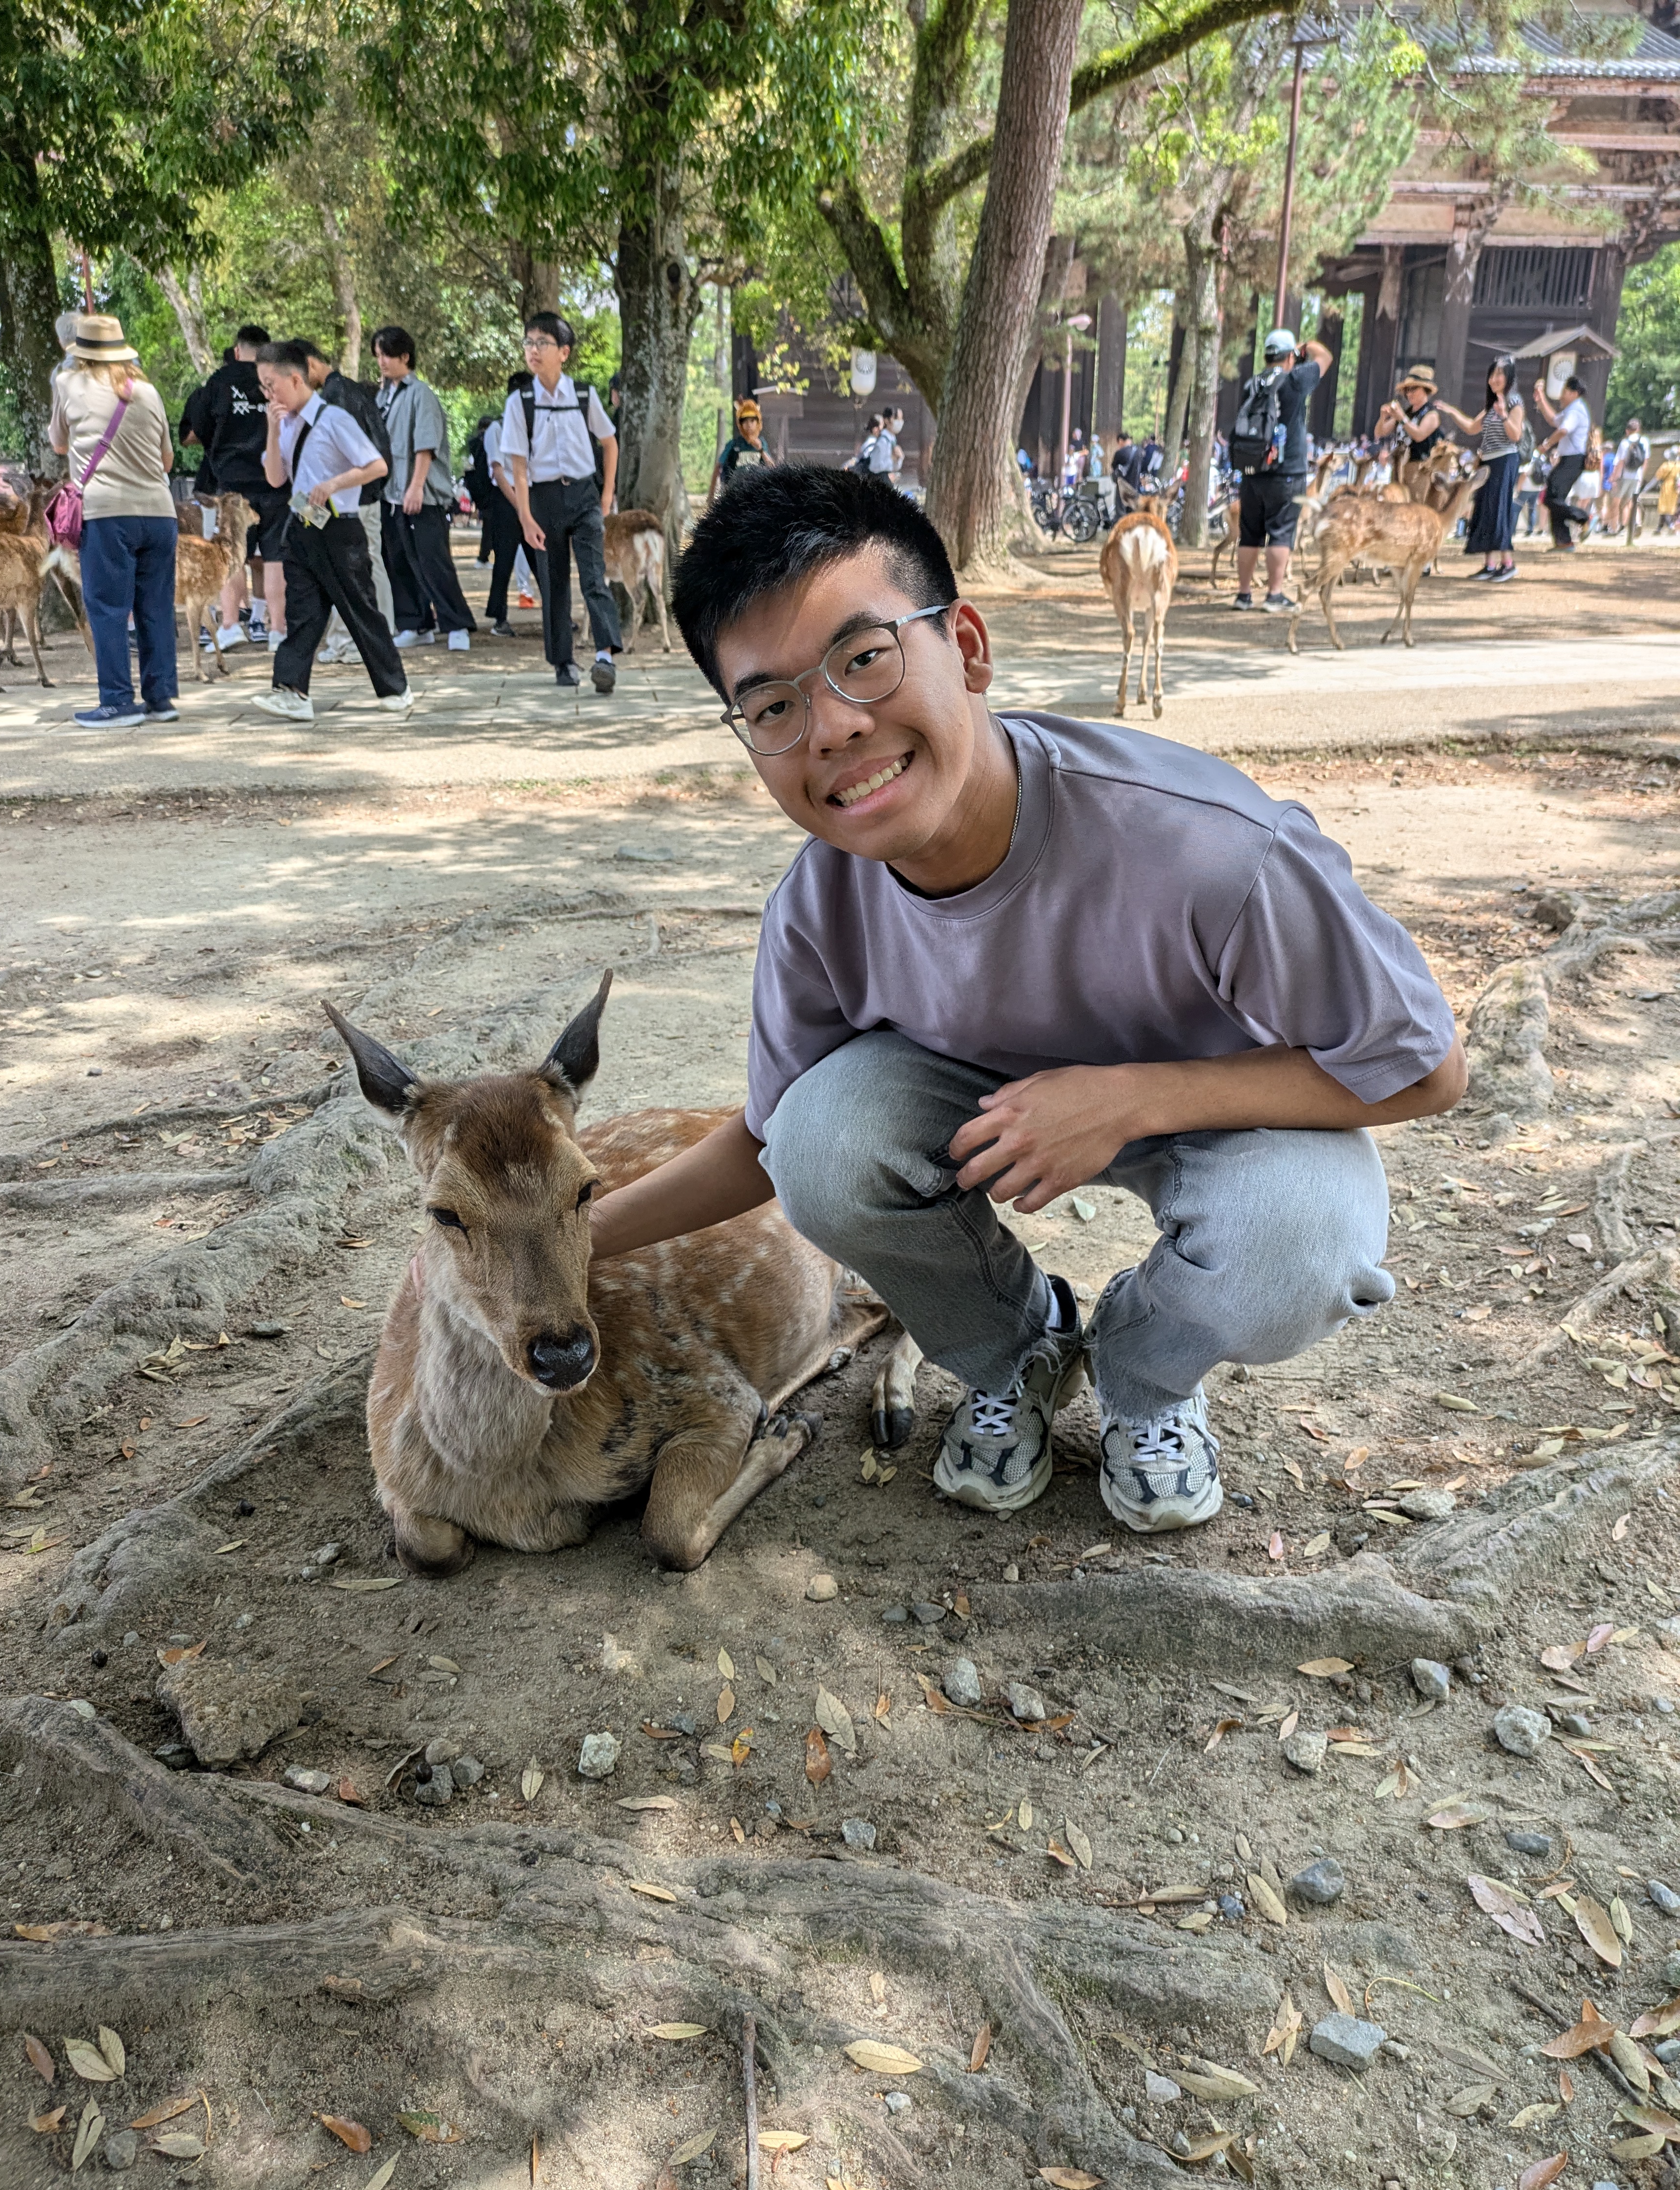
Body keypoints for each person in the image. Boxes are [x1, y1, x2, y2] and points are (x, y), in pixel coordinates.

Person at [588, 466, 1463, 1534]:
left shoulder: (1212, 848)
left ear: (965, 646)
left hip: (1228, 1112)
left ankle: (1145, 1373)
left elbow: (1424, 1068)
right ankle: (1018, 1347)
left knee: (1305, 1240)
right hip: (983, 1118)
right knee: (822, 1144)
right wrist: (560, 1241)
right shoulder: (817, 908)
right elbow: (771, 1141)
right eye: (773, 705)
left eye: (862, 659)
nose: (831, 728)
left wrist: (1129, 1099)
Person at [250, 338, 413, 722]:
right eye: (263, 388)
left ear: (295, 379)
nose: (269, 395)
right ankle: (292, 691)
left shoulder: (334, 419)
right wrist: (272, 429)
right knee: (303, 611)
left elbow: (376, 466)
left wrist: (335, 484)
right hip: (302, 524)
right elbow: (275, 479)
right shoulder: (285, 424)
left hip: (340, 528)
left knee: (360, 609)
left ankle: (395, 688)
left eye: (272, 385)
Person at [46, 312, 180, 730]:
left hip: (106, 513)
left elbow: (58, 442)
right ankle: (160, 699)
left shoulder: (68, 383)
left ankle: (118, 701)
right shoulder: (148, 391)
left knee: (107, 608)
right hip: (159, 512)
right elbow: (167, 459)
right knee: (156, 608)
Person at [499, 308, 622, 693]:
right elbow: (518, 467)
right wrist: (525, 516)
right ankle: (563, 662)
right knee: (553, 582)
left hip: (584, 495)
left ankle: (605, 657)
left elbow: (610, 443)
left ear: (564, 352)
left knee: (594, 577)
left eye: (543, 343)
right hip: (543, 499)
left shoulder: (584, 395)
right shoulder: (520, 402)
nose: (533, 350)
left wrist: (606, 496)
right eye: (529, 343)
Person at [371, 326, 476, 653]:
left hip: (423, 496)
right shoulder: (383, 396)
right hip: (391, 495)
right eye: (378, 356)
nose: (382, 362)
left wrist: (416, 488)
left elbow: (426, 446)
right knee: (399, 562)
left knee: (433, 562)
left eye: (387, 355)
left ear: (405, 356)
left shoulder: (421, 394)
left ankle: (457, 624)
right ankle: (415, 624)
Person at [182, 324, 287, 651]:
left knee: (232, 555)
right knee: (274, 557)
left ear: (238, 350)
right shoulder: (276, 380)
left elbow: (196, 430)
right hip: (275, 480)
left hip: (232, 486)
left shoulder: (220, 382)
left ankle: (230, 624)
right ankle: (278, 629)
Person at [296, 341, 396, 663]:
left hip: (353, 499)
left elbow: (349, 458)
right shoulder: (345, 392)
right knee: (356, 567)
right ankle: (350, 640)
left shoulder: (334, 400)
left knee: (357, 570)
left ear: (310, 365)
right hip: (352, 498)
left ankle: (361, 641)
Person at [1233, 326, 1333, 613]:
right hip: (1287, 471)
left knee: (1249, 534)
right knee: (1281, 533)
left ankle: (1243, 595)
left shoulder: (1252, 384)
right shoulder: (1296, 379)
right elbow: (1325, 357)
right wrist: (1306, 347)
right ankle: (1274, 595)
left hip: (1252, 470)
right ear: (1291, 357)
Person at [1437, 356, 1524, 583]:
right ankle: (1490, 565)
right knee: (1486, 511)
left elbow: (1516, 435)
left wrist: (1504, 415)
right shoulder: (1491, 406)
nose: (1494, 379)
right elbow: (1471, 428)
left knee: (1499, 511)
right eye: (1492, 375)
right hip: (1489, 462)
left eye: (1500, 374)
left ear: (1509, 378)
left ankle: (1508, 565)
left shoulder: (1514, 402)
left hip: (1505, 461)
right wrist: (1451, 411)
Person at [474, 373, 538, 635]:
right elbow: (498, 472)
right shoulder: (497, 429)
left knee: (541, 559)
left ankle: (558, 614)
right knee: (504, 560)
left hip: (532, 498)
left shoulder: (535, 428)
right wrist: (519, 507)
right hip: (506, 500)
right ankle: (499, 618)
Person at [1531, 371, 1591, 547]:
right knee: (1555, 498)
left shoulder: (1577, 410)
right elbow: (1554, 420)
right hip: (1569, 460)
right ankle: (1563, 542)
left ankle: (1584, 518)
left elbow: (1563, 430)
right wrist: (1541, 399)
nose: (1562, 396)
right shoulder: (1572, 410)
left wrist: (1546, 445)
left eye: (1565, 392)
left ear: (1574, 393)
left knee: (1550, 498)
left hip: (1573, 461)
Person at [1374, 365, 1443, 493]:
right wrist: (1383, 417)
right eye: (1407, 390)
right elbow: (1380, 433)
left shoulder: (1431, 415)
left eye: (1413, 389)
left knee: (1414, 503)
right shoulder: (1406, 413)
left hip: (1419, 469)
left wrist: (1402, 418)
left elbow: (1419, 435)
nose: (1409, 394)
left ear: (1425, 390)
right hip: (1399, 466)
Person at [711, 398, 774, 496]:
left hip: (757, 492)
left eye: (752, 421)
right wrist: (711, 495)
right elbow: (718, 466)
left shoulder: (762, 443)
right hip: (735, 492)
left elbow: (773, 468)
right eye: (745, 421)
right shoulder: (734, 444)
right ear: (740, 424)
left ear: (758, 422)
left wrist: (761, 450)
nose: (749, 425)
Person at [1656, 449, 1680, 536]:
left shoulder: (1666, 465)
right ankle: (1659, 528)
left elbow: (1658, 477)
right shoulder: (1678, 465)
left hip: (1667, 487)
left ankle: (1671, 526)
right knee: (1671, 508)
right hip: (1675, 488)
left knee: (1664, 508)